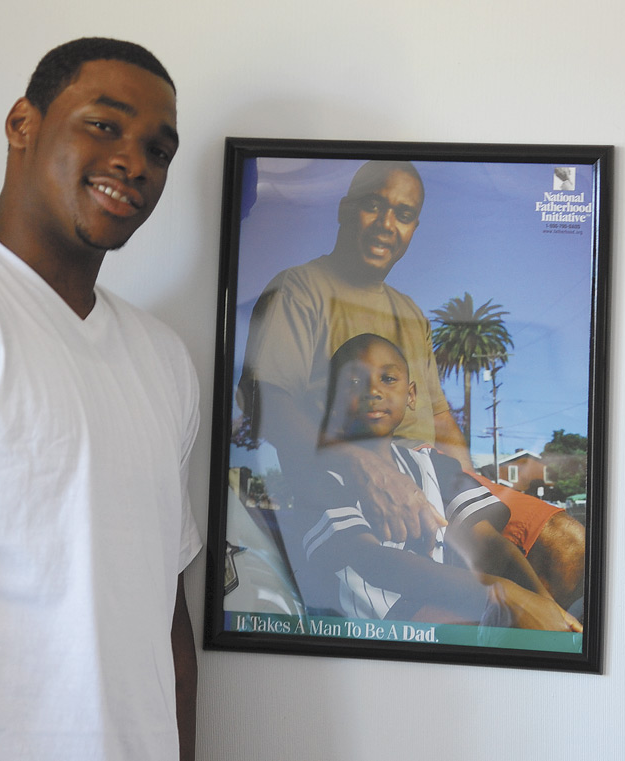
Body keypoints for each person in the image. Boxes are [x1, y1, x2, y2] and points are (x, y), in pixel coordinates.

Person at [0, 38, 199, 761]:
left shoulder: (163, 359)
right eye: (104, 124)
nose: (135, 161)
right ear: (23, 122)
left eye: (159, 148)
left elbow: (164, 620)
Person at [238, 159, 584, 609]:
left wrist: (467, 487)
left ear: (414, 227)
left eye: (402, 215)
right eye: (373, 206)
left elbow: (439, 417)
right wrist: (366, 470)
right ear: (345, 210)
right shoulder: (298, 290)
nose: (386, 225)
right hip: (353, 486)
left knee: (568, 546)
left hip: (436, 481)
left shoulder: (409, 311)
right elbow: (267, 401)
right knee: (444, 606)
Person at [280, 333, 580, 631]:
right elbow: (373, 562)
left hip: (453, 605)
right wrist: (497, 594)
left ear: (411, 395)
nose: (373, 390)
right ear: (332, 400)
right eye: (354, 382)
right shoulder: (322, 475)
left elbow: (488, 545)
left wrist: (546, 607)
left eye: (388, 379)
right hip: (376, 631)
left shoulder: (436, 467)